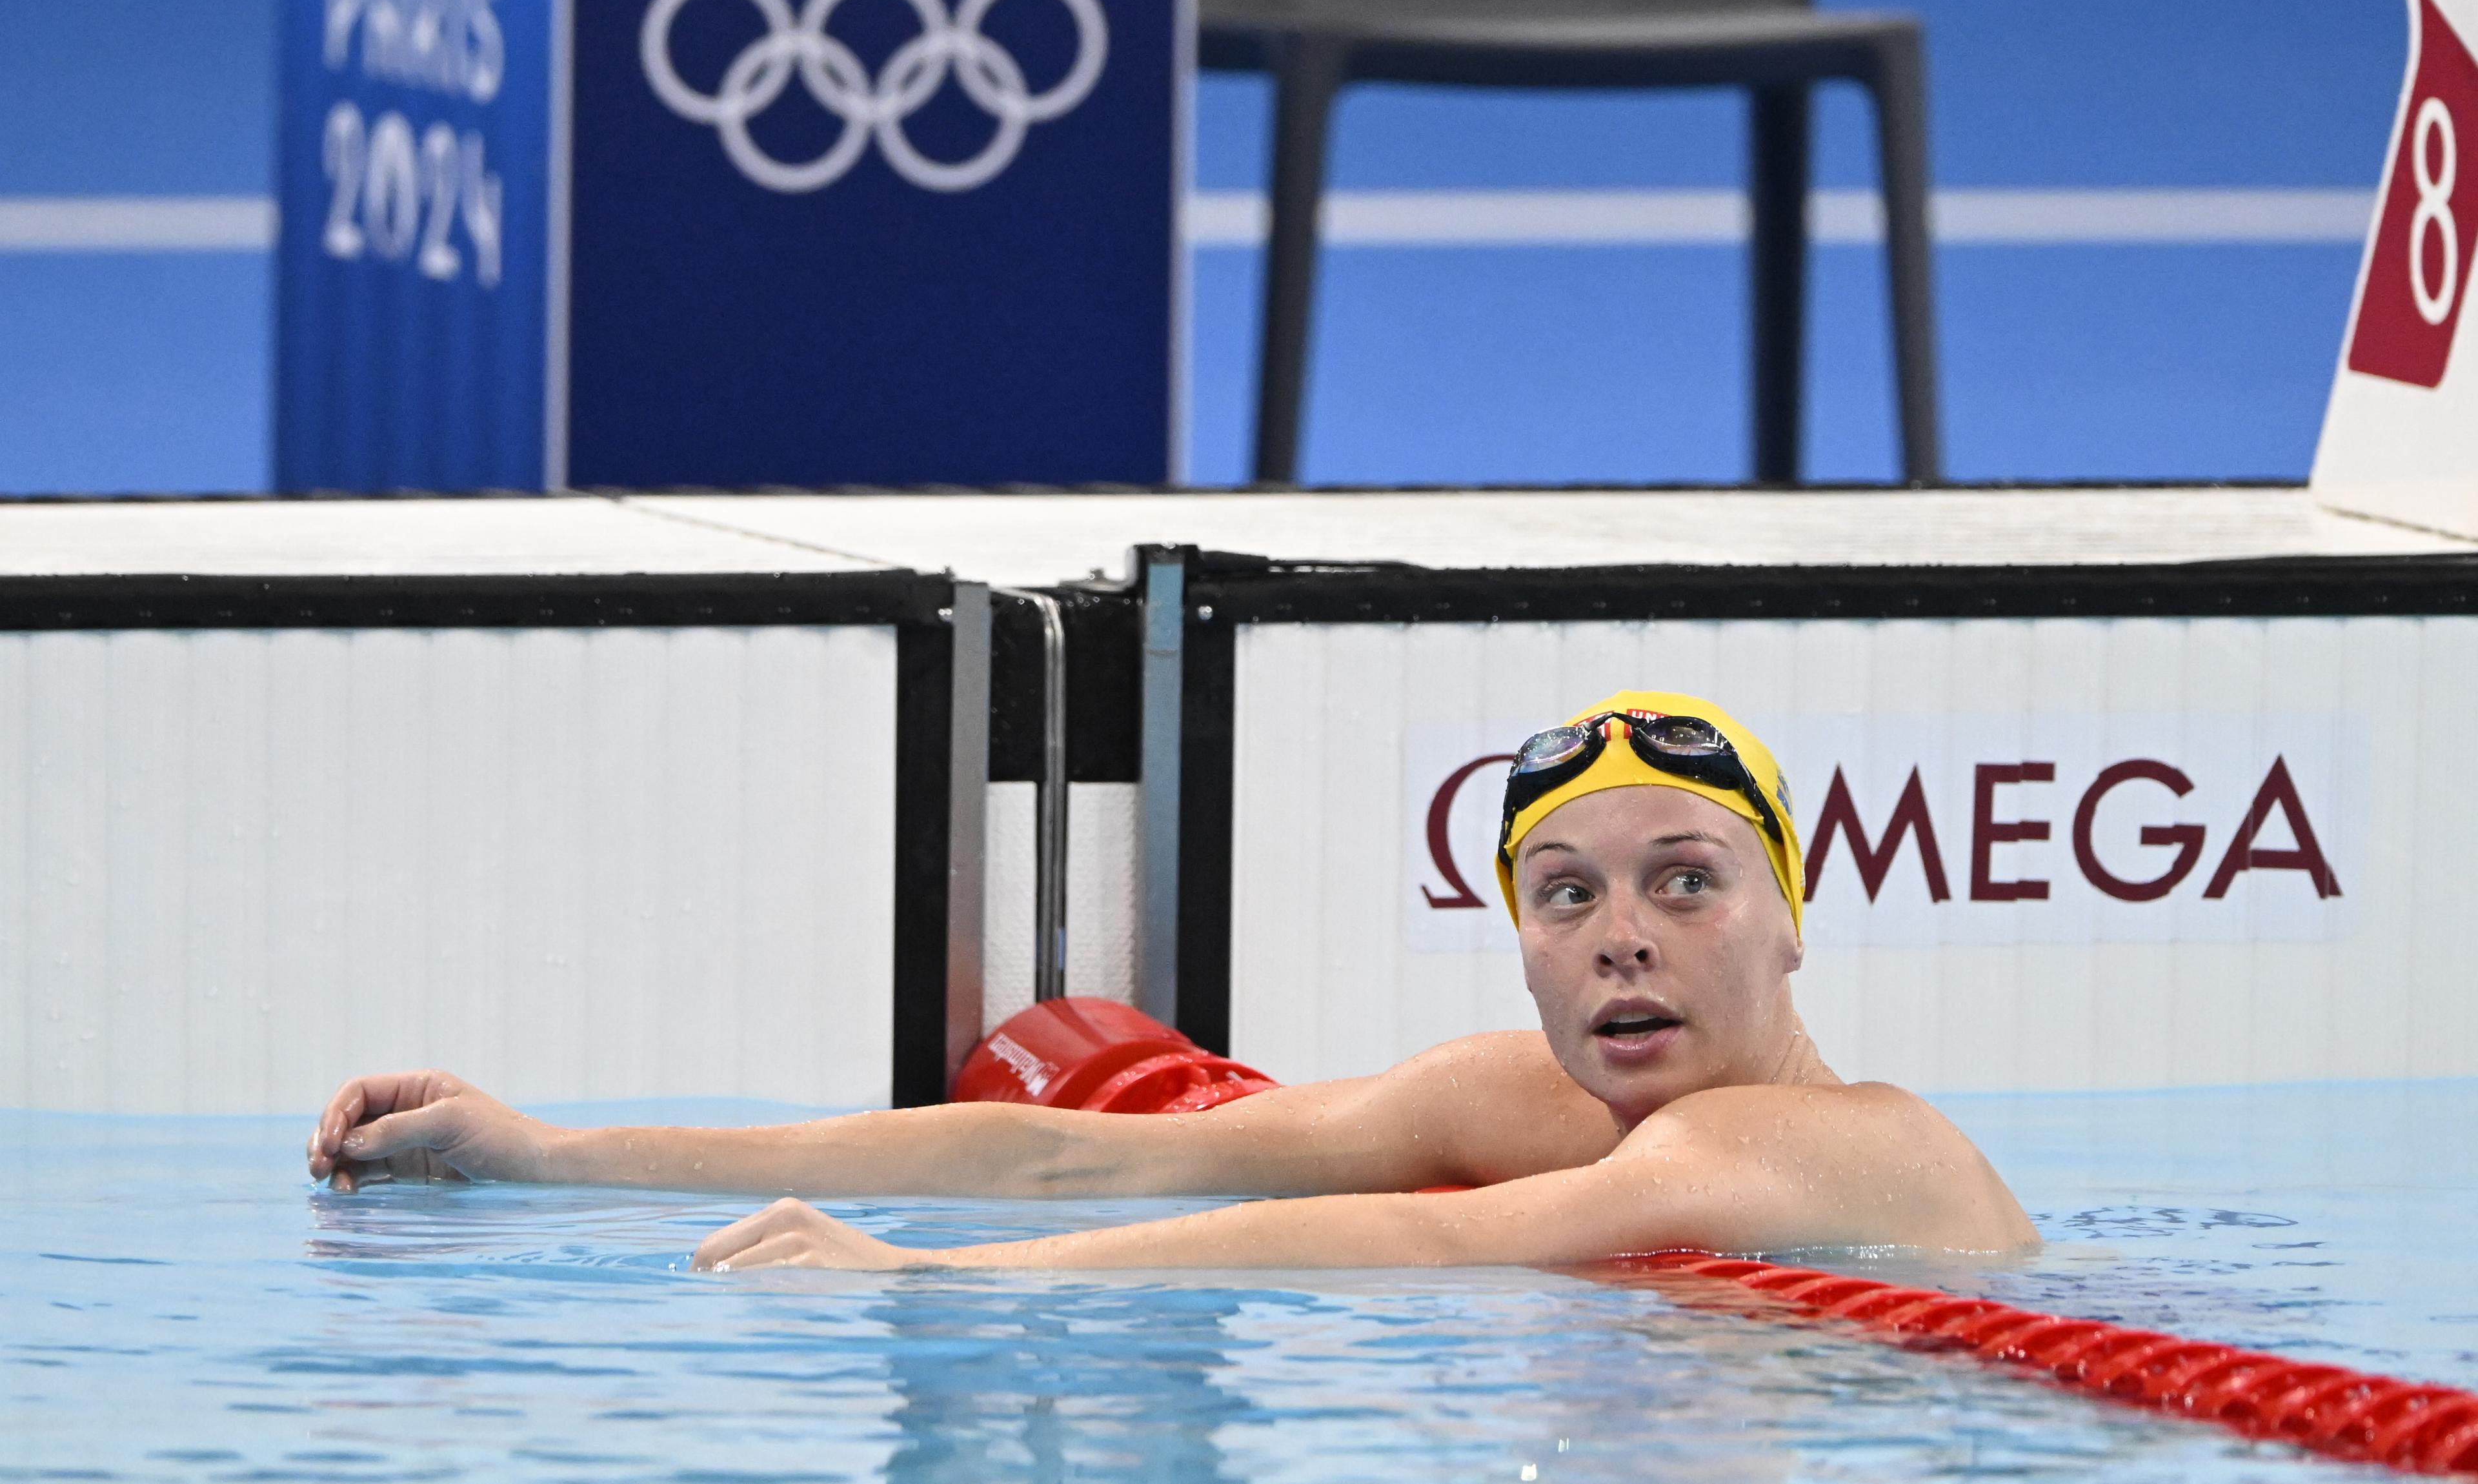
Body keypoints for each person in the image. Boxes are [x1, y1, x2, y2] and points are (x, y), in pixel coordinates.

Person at [307, 690, 2037, 1272]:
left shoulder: (1830, 1147)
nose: (1623, 936)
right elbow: (1076, 1153)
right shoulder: (1524, 1103)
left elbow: (1435, 1241)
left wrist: (931, 1286)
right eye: (1565, 892)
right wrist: (549, 1149)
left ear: (1795, 913)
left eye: (1686, 882)